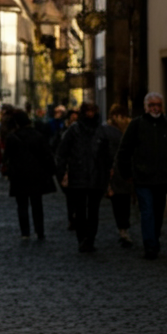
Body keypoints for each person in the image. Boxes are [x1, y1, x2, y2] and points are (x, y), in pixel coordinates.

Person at [116, 92, 167, 259]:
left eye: (158, 105)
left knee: (157, 211)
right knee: (147, 210)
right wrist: (127, 172)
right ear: (147, 107)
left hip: (163, 178)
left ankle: (154, 239)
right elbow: (124, 150)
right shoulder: (137, 125)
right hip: (143, 177)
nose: (156, 108)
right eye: (152, 105)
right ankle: (150, 245)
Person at [55, 102, 112, 252]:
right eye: (88, 111)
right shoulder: (75, 130)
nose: (90, 114)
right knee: (81, 211)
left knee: (92, 211)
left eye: (92, 111)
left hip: (95, 176)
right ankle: (83, 239)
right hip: (80, 175)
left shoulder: (101, 131)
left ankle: (89, 239)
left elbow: (107, 156)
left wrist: (107, 174)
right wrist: (62, 173)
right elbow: (62, 153)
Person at [4, 110, 55, 241]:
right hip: (36, 174)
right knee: (37, 204)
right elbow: (46, 155)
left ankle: (25, 232)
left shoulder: (12, 138)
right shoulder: (38, 136)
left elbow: (7, 157)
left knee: (22, 205)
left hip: (19, 175)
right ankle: (40, 231)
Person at [103, 104, 133, 248]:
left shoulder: (128, 128)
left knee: (123, 201)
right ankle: (123, 229)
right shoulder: (109, 130)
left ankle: (123, 228)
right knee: (120, 201)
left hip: (123, 171)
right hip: (116, 172)